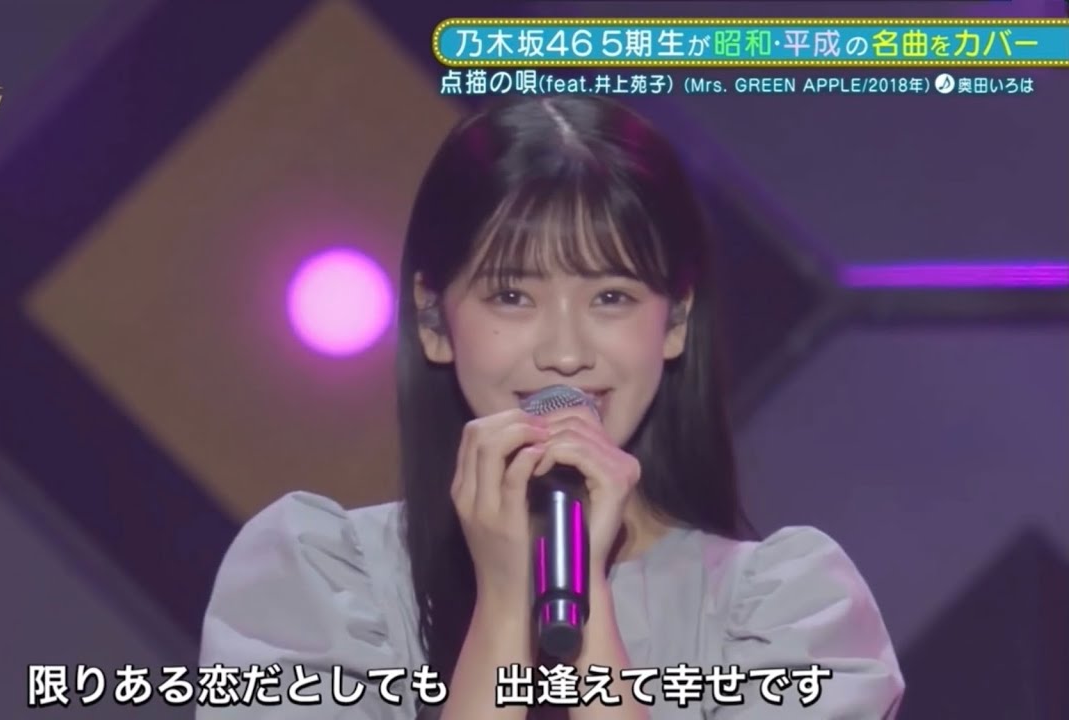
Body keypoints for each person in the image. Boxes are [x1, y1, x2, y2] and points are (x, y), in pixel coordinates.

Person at [197, 95, 904, 719]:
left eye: (611, 297)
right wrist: (506, 598)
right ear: (434, 319)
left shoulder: (790, 612)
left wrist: (580, 597)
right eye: (512, 296)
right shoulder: (320, 583)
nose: (565, 353)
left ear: (676, 320)